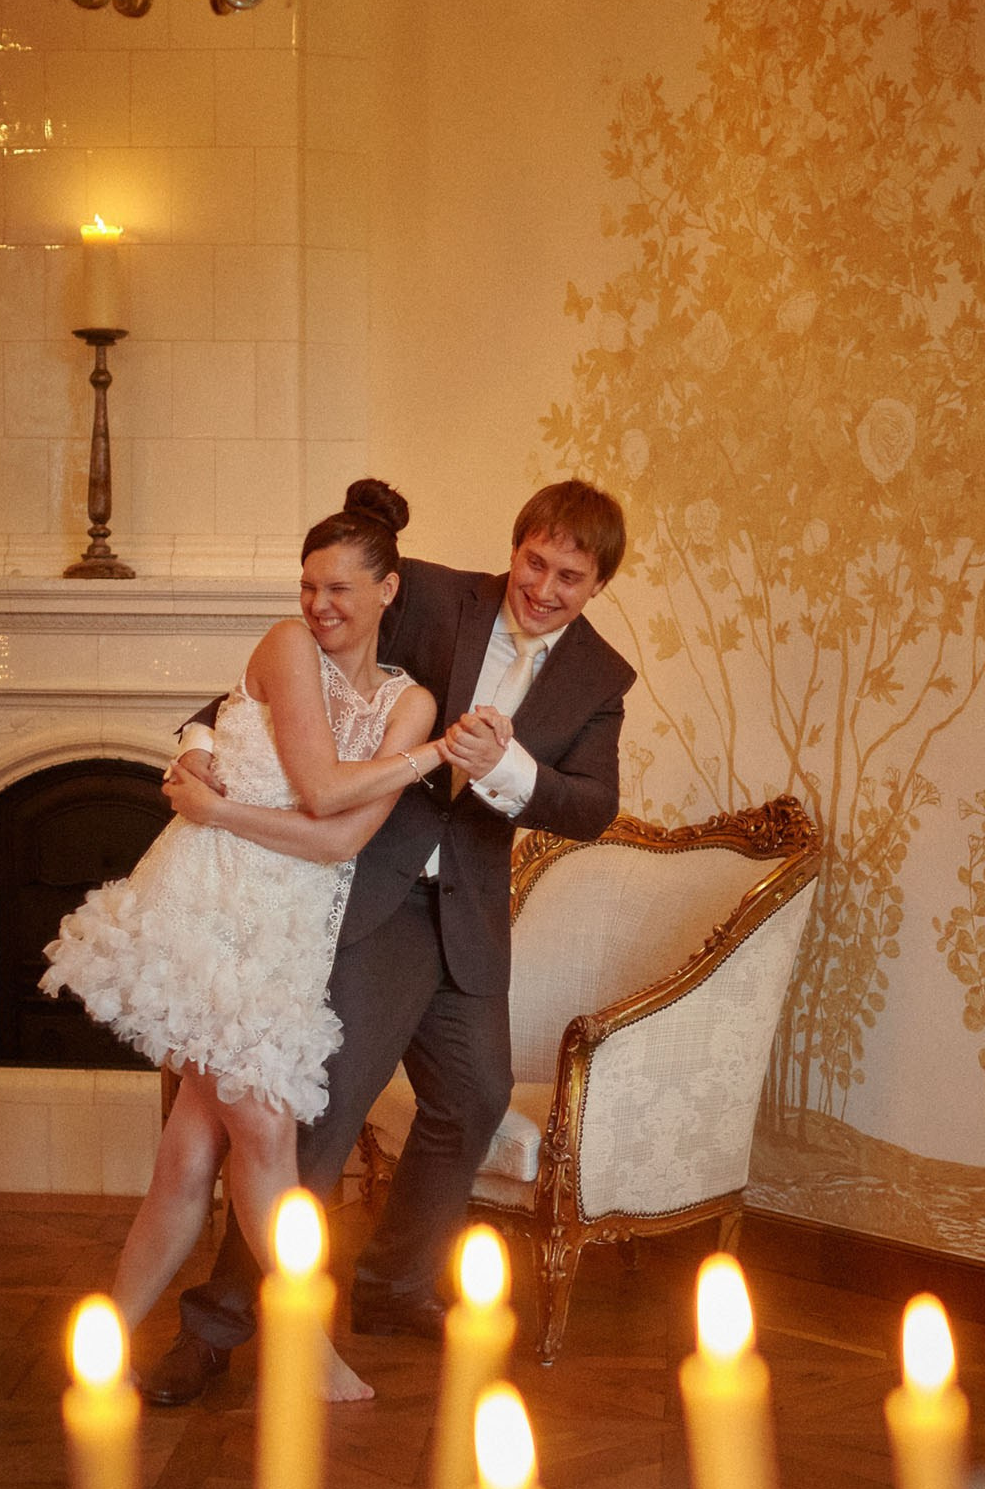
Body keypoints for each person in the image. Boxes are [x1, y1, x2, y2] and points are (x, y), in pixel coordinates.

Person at [143, 478, 635, 1407]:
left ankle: (392, 1283)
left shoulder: (600, 677)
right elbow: (293, 669)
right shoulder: (432, 597)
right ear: (516, 545)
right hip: (366, 901)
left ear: (597, 584)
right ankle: (213, 1331)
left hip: (469, 922)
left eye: (569, 575)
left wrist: (512, 768)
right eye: (535, 560)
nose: (544, 587)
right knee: (313, 1128)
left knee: (476, 1095)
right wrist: (201, 733)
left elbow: (592, 806)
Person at [41, 480, 444, 1401]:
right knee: (261, 1139)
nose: (318, 605)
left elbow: (341, 838)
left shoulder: (409, 703)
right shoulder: (287, 647)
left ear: (388, 590)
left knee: (189, 1152)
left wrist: (228, 809)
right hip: (209, 908)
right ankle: (310, 1356)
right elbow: (319, 785)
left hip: (288, 936)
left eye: (340, 588)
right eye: (309, 584)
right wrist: (424, 763)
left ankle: (95, 1352)